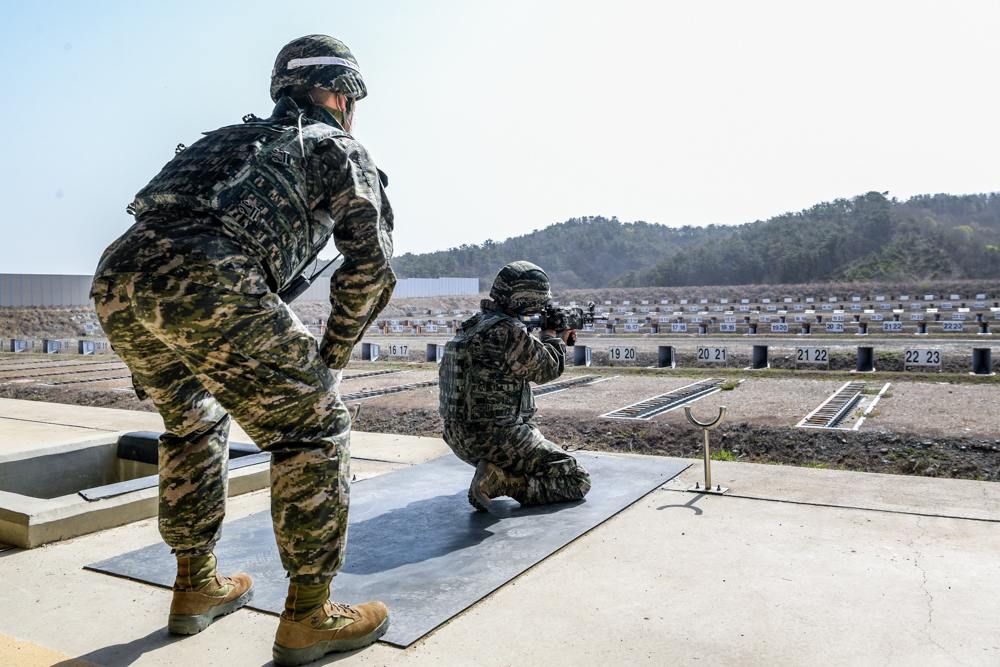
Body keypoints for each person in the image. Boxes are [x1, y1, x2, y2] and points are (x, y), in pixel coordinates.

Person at [90, 35, 395, 665]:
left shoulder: (225, 139)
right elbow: (370, 267)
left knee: (194, 421)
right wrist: (329, 361)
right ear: (341, 92)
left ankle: (194, 585)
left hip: (119, 276)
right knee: (315, 429)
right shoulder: (336, 144)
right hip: (208, 275)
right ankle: (310, 616)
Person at [438, 261, 592, 512]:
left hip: (458, 438)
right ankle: (502, 483)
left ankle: (492, 472)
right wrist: (553, 336)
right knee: (576, 480)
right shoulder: (507, 332)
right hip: (494, 438)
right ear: (531, 298)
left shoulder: (474, 325)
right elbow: (548, 368)